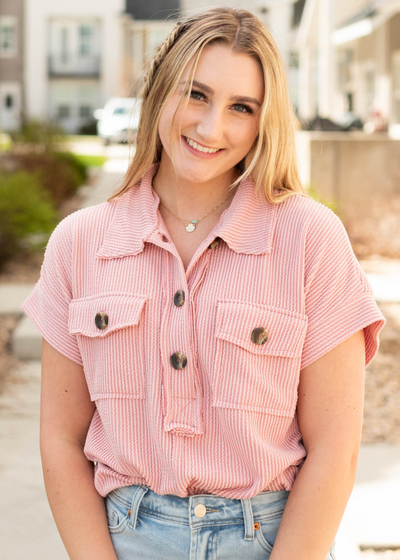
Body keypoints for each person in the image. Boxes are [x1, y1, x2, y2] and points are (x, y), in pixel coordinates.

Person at [20, 7, 386, 560]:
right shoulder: (79, 244)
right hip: (125, 538)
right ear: (161, 92)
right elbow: (61, 443)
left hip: (271, 540)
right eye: (196, 94)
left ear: (264, 122)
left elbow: (336, 449)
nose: (212, 127)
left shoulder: (310, 238)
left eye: (242, 107)